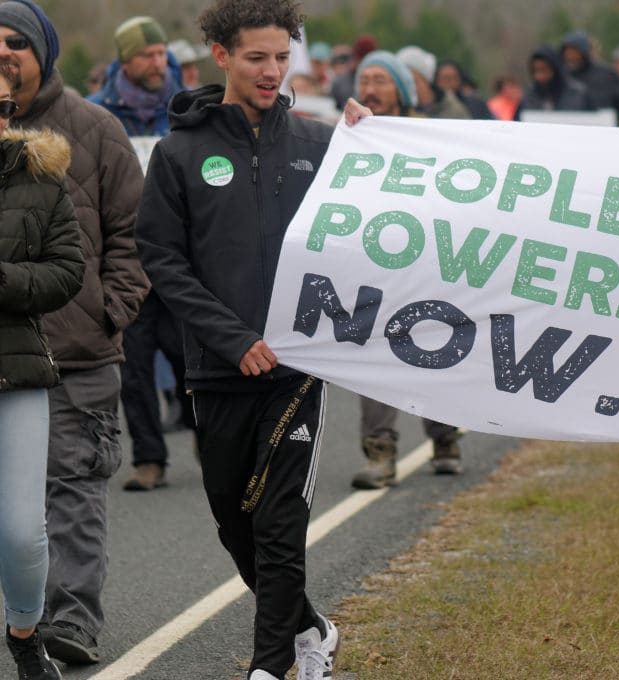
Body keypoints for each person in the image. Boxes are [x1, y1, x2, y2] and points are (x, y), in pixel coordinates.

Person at [134, 1, 339, 678]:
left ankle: (270, 665)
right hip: (219, 372)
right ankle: (309, 627)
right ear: (221, 56)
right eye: (257, 57)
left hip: (296, 373)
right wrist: (231, 338)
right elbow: (162, 259)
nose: (272, 71)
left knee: (281, 529)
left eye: (283, 57)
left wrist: (370, 143)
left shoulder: (319, 145)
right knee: (235, 523)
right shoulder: (178, 153)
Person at [1, 0, 150, 665]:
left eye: (16, 43)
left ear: (44, 53)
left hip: (78, 352)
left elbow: (135, 233)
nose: (4, 54)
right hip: (7, 357)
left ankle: (71, 621)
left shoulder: (94, 128)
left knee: (72, 488)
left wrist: (107, 309)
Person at [0, 60, 83, 680]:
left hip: (16, 369)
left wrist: (4, 281)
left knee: (22, 534)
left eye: (4, 106)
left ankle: (25, 634)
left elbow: (67, 271)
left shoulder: (42, 180)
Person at [349, 50, 465, 489]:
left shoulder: (429, 135)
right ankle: (380, 453)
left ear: (401, 88)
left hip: (427, 263)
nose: (370, 89)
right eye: (365, 80)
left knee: (435, 349)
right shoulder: (351, 135)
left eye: (380, 80)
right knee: (374, 355)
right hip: (371, 266)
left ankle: (444, 437)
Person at [88, 16, 191, 493]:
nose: (158, 62)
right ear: (125, 60)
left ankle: (215, 446)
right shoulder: (99, 115)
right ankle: (150, 459)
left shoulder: (186, 108)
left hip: (181, 260)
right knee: (134, 370)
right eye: (147, 55)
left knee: (194, 359)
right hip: (126, 262)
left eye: (161, 52)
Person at [560, 29, 619, 127]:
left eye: (574, 52)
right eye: (567, 52)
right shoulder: (560, 78)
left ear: (584, 52)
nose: (570, 56)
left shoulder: (607, 76)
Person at [396, 45, 470, 119]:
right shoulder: (400, 110)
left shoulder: (452, 108)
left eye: (407, 70)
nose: (403, 77)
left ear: (422, 75)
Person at [515, 45, 591, 119]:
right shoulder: (528, 98)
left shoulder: (578, 95)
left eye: (544, 70)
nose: (539, 76)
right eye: (535, 71)